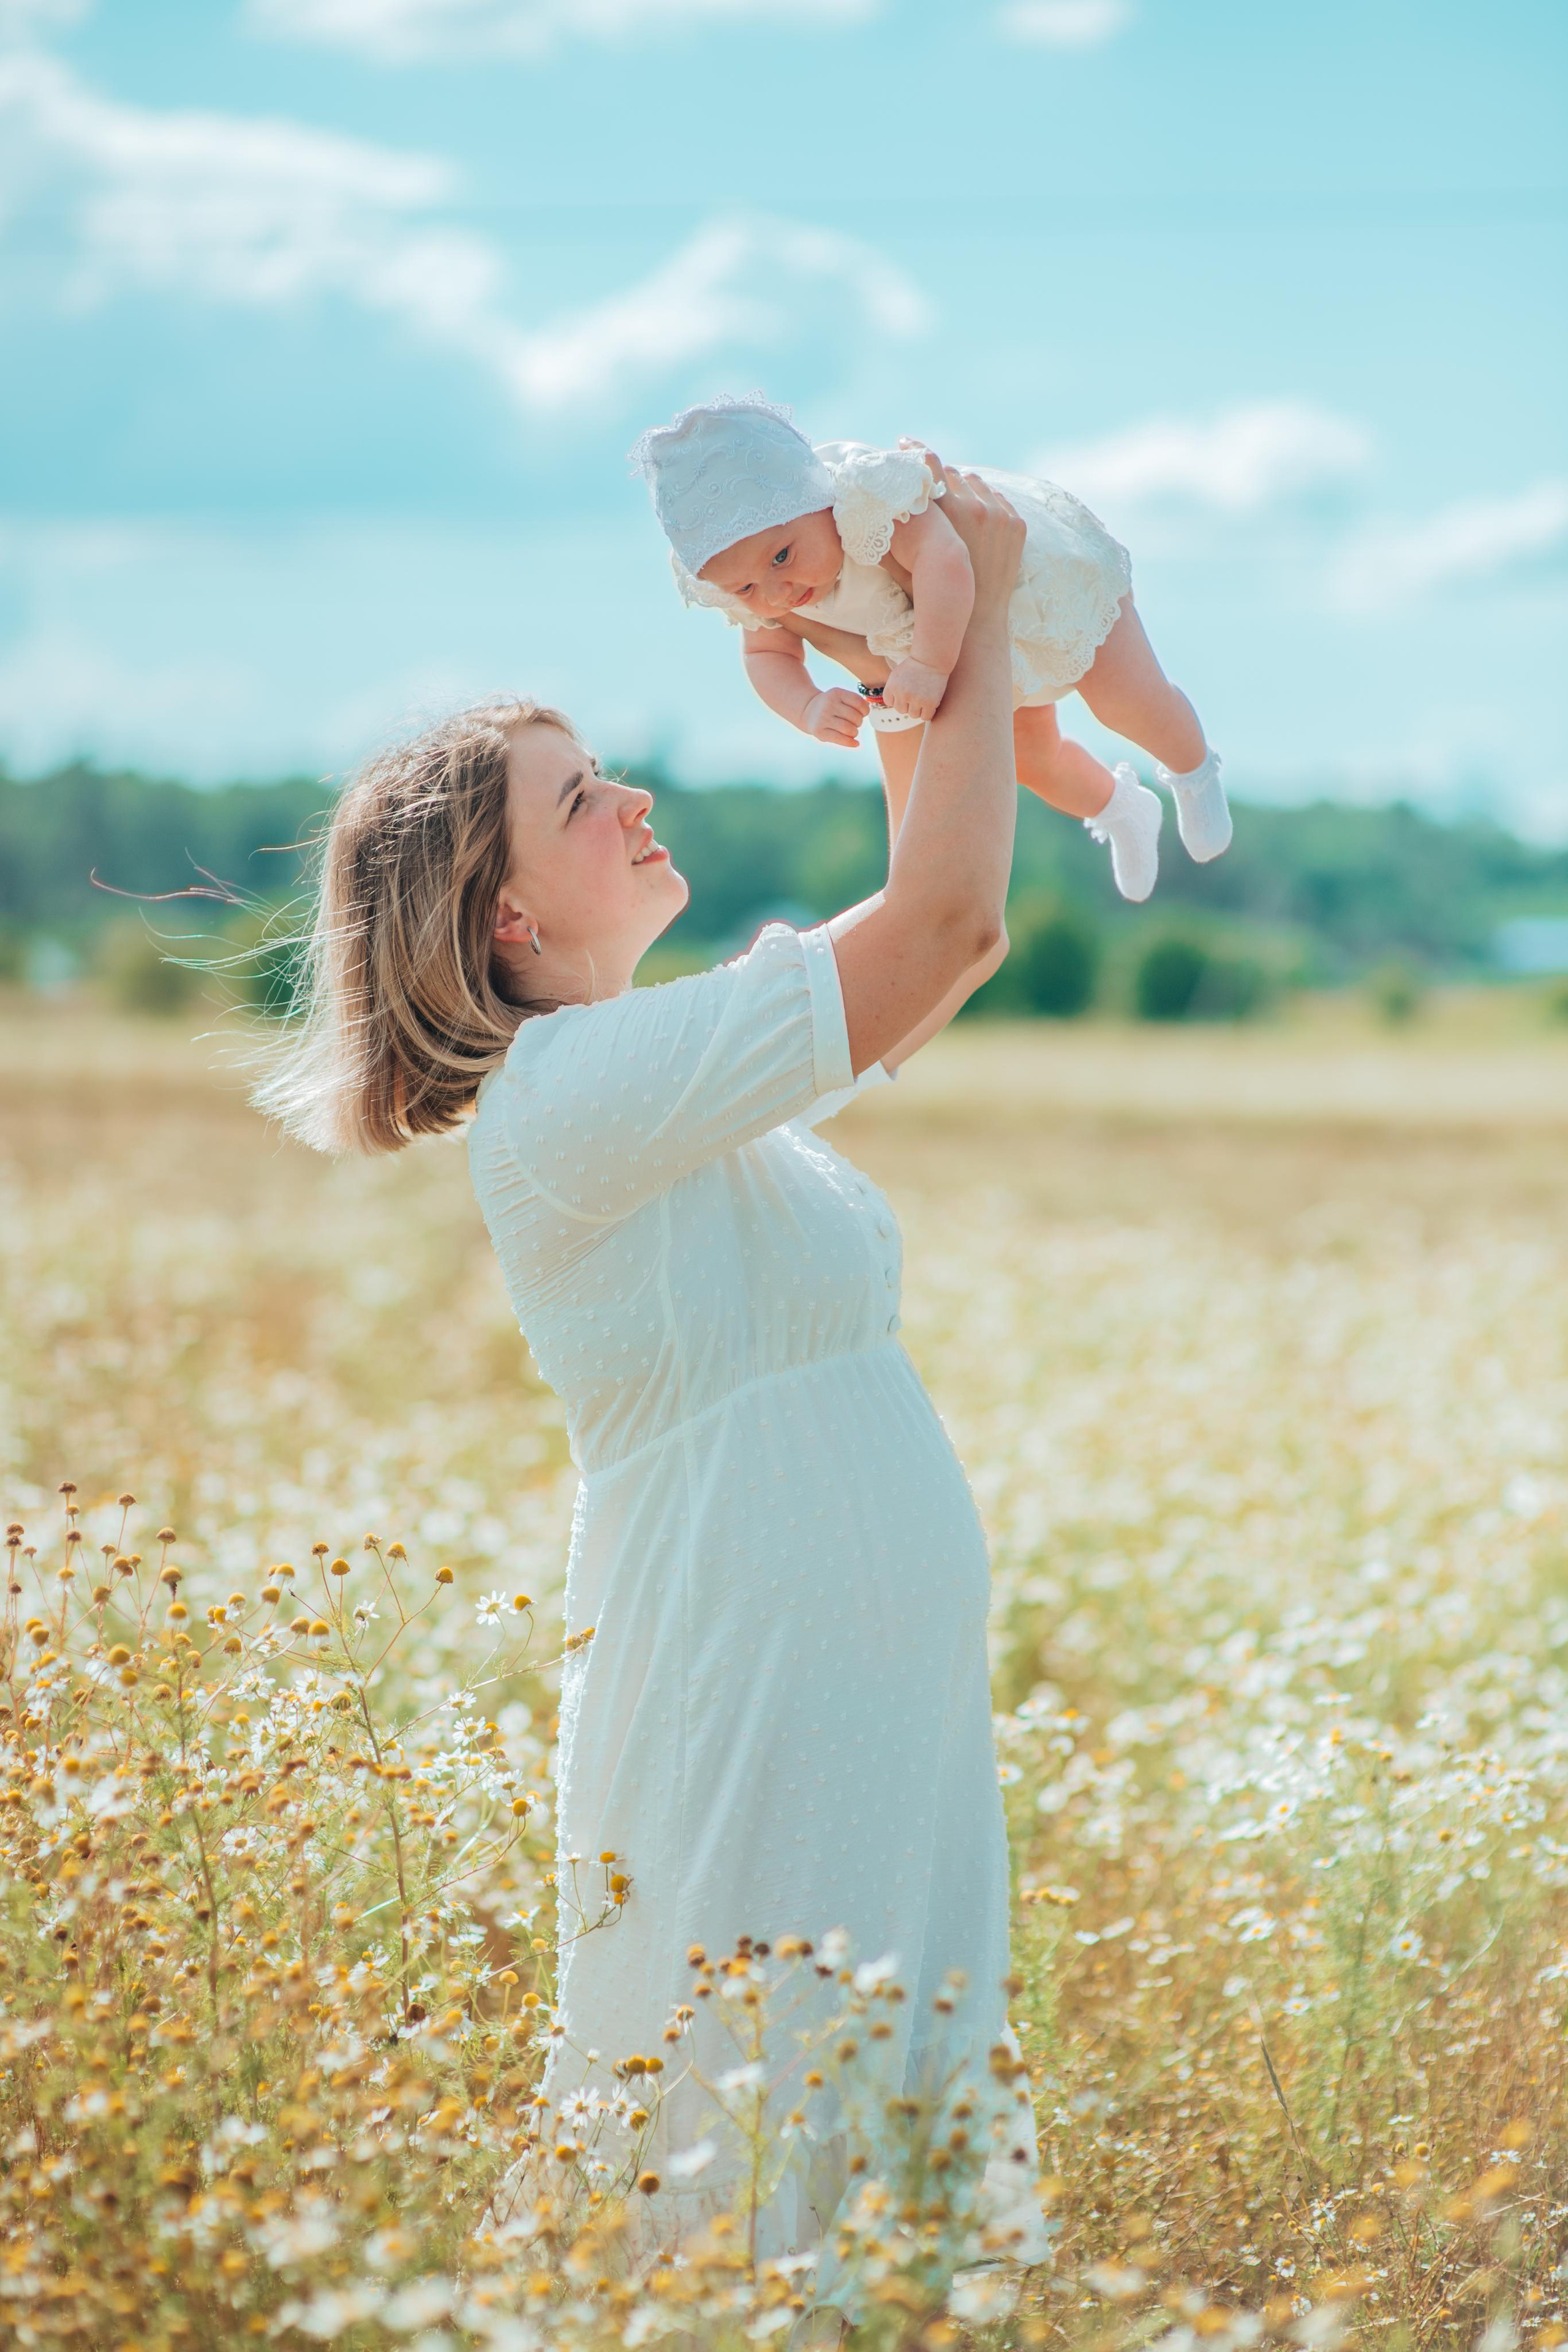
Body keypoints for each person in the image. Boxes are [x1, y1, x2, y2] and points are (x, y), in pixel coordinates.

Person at [255, 467, 1042, 2297]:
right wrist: (985, 611)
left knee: (868, 2158)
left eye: (606, 773)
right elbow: (945, 922)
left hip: (869, 1704)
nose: (634, 801)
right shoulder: (566, 1100)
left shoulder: (663, 1076)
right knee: (752, 2147)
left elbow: (935, 954)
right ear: (502, 919)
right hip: (748, 1690)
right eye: (578, 798)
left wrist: (903, 637)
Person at [631, 391, 1231, 904]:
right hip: (984, 653)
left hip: (1042, 591)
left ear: (815, 500)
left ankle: (1194, 771)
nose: (775, 592)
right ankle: (1119, 807)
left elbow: (946, 562)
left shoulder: (868, 501)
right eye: (743, 588)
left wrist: (927, 664)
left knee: (1128, 701)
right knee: (1031, 758)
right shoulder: (762, 591)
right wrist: (808, 706)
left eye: (783, 557)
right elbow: (765, 657)